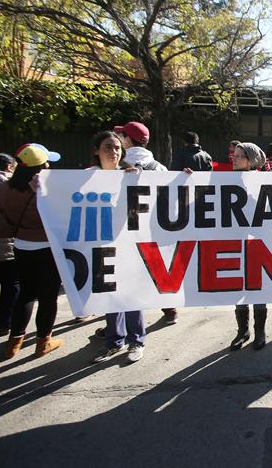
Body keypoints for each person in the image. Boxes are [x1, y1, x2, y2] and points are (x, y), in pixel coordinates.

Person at [0, 143, 64, 358]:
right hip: (47, 248)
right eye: (46, 162)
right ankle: (43, 341)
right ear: (41, 166)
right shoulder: (45, 189)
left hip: (20, 245)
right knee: (47, 297)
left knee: (26, 294)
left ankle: (14, 343)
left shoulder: (6, 188)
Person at [86, 131, 146, 363]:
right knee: (111, 295)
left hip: (128, 244)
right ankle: (114, 340)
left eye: (117, 148)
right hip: (101, 244)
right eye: (108, 147)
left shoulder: (130, 174)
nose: (114, 152)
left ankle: (136, 340)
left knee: (131, 294)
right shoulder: (85, 177)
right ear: (96, 150)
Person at [114, 121, 178, 325]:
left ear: (128, 140)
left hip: (125, 227)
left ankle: (124, 323)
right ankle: (170, 309)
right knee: (154, 268)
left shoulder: (116, 167)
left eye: (121, 136)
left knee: (127, 273)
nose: (119, 140)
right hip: (152, 227)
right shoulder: (158, 166)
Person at [229, 142, 269, 351]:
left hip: (256, 244)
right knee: (239, 289)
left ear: (250, 160)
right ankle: (242, 331)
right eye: (233, 155)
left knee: (257, 289)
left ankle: (260, 332)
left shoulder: (262, 182)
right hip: (235, 243)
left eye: (239, 156)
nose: (234, 159)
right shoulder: (223, 180)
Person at [0, 153, 18, 337]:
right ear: (10, 167)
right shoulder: (15, 187)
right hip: (8, 246)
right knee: (11, 287)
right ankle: (5, 325)